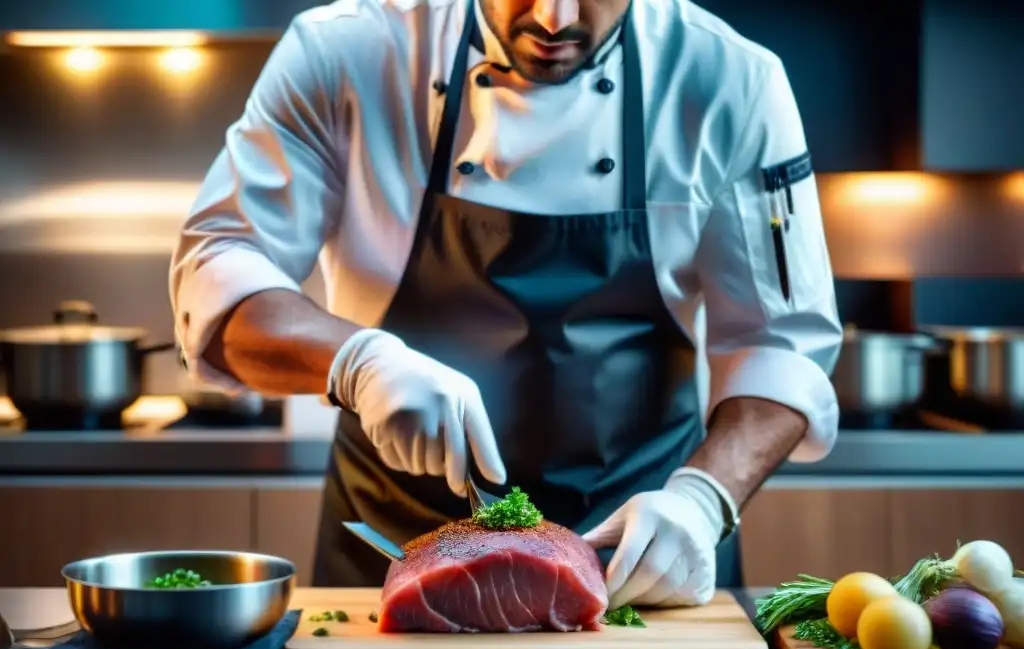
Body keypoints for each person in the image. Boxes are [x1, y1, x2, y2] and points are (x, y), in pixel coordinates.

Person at [169, 0, 842, 609]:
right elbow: (217, 275)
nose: (552, 21)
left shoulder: (729, 80)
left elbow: (783, 345)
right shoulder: (344, 53)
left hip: (639, 567)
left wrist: (703, 500)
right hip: (389, 557)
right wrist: (357, 362)